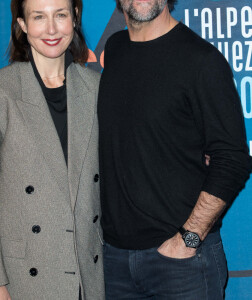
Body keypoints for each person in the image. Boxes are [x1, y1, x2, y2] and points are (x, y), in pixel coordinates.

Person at [98, 0, 252, 299]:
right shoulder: (115, 48)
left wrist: (189, 238)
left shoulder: (201, 60)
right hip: (114, 262)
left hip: (182, 265)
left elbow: (232, 158)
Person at [0, 0, 104, 299]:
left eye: (60, 15)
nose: (51, 29)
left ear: (75, 18)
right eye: (39, 17)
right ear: (22, 25)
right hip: (17, 283)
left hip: (86, 280)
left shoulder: (99, 90)